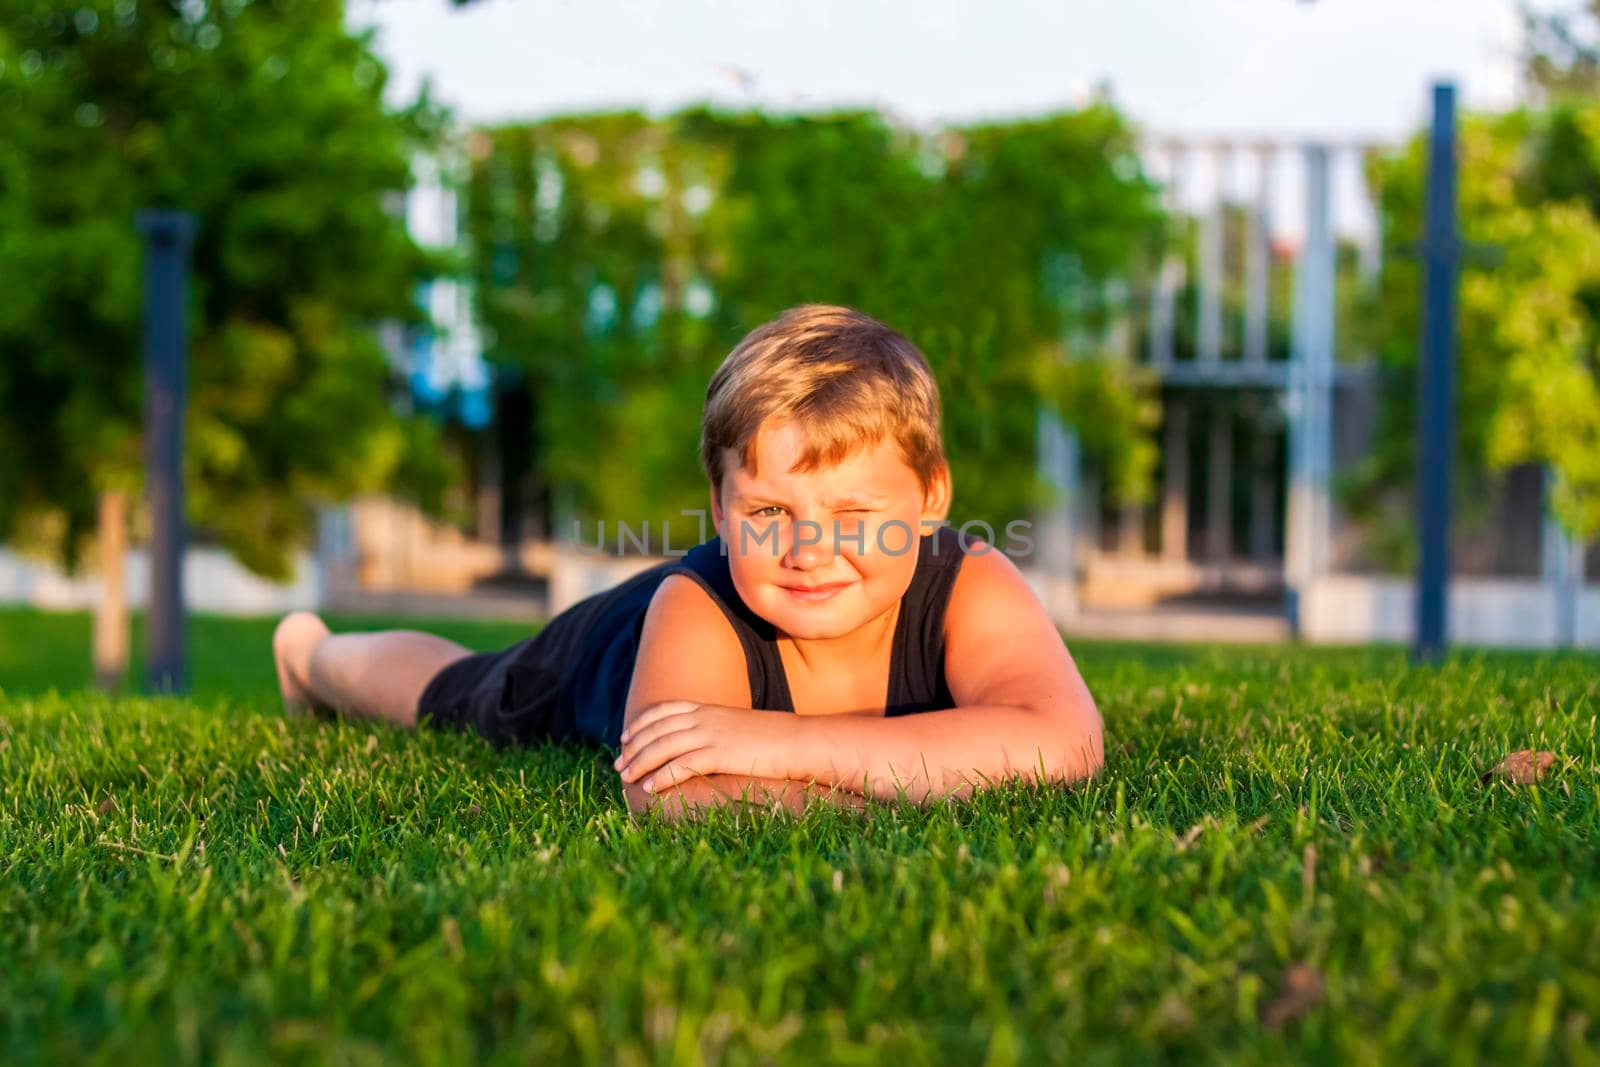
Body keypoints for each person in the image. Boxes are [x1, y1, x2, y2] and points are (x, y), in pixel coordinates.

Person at [272, 304, 1103, 822]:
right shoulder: (697, 606)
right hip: (604, 652)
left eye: (855, 514)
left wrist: (780, 745)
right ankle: (311, 656)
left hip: (767, 718)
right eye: (769, 513)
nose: (809, 549)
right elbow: (668, 793)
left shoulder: (972, 583)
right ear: (718, 508)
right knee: (467, 693)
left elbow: (1063, 743)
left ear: (930, 499)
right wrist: (920, 780)